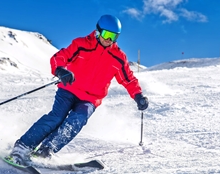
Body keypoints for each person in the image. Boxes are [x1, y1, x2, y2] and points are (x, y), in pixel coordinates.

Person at [8, 14, 149, 165]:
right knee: (56, 117)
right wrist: (61, 70)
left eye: (114, 37)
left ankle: (46, 150)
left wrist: (138, 96)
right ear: (98, 31)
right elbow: (59, 57)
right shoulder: (81, 44)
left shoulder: (118, 57)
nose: (109, 40)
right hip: (68, 90)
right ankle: (22, 147)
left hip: (91, 99)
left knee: (78, 120)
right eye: (107, 35)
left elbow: (128, 79)